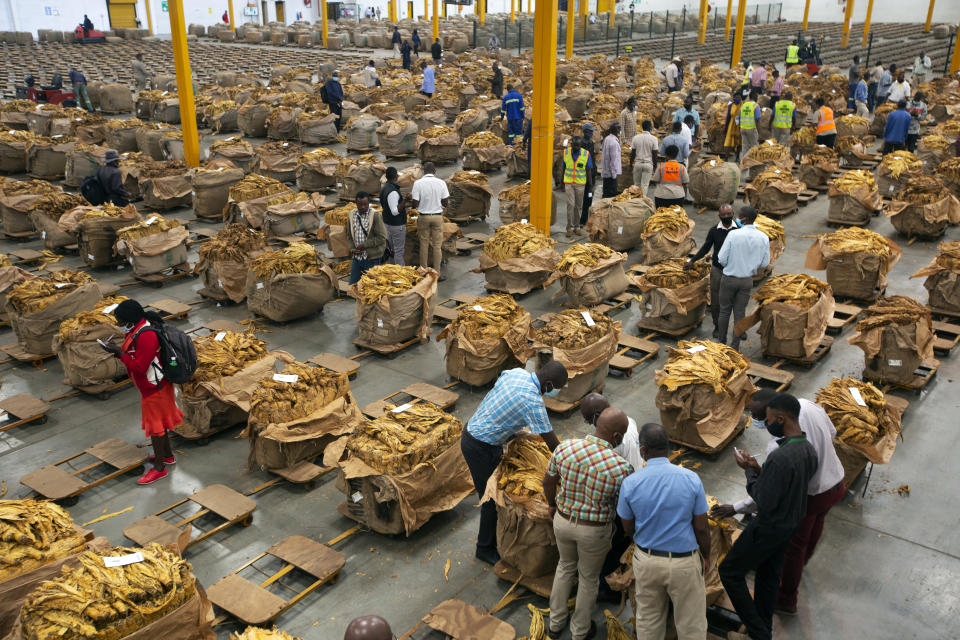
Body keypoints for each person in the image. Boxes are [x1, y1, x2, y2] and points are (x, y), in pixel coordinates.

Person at [712, 389, 845, 616]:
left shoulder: (779, 448)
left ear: (776, 415)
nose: (760, 422)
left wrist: (737, 502)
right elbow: (831, 433)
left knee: (794, 547)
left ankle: (786, 599)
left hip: (811, 495)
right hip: (836, 481)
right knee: (814, 528)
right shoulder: (806, 406)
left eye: (762, 417)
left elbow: (768, 495)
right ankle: (802, 565)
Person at [718, 393, 818, 640]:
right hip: (790, 524)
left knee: (730, 572)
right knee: (768, 575)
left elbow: (763, 498)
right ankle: (763, 626)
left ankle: (759, 632)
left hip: (768, 527)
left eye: (769, 418)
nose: (767, 423)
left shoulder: (780, 457)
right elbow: (786, 485)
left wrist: (749, 474)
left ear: (781, 419)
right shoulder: (807, 449)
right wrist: (757, 468)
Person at [461, 363, 566, 564]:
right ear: (549, 384)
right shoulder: (532, 401)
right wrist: (571, 466)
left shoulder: (516, 373)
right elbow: (553, 444)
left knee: (493, 495)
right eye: (557, 387)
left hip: (474, 430)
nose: (556, 392)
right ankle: (484, 548)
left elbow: (500, 391)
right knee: (492, 498)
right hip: (479, 447)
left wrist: (509, 427)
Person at [545, 408, 633, 640]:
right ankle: (580, 631)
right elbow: (623, 507)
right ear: (616, 437)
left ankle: (555, 625)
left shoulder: (565, 447)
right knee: (588, 579)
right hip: (593, 531)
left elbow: (549, 479)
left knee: (564, 568)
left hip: (562, 521)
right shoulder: (621, 467)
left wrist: (552, 504)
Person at [618, 423, 710, 639]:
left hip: (647, 561)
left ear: (643, 450)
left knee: (649, 619)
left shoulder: (630, 483)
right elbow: (702, 528)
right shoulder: (691, 478)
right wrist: (705, 556)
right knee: (691, 623)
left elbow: (627, 527)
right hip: (684, 563)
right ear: (668, 448)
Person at [100, 300, 183, 485]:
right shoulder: (135, 330)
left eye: (119, 319)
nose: (117, 323)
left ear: (128, 318)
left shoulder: (146, 335)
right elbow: (133, 356)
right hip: (153, 386)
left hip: (155, 388)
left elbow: (139, 367)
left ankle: (160, 469)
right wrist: (115, 351)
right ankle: (167, 456)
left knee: (156, 429)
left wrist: (118, 353)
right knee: (160, 424)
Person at [716, 205, 769, 350]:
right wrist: (750, 264)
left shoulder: (733, 235)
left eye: (739, 216)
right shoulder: (763, 237)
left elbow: (721, 258)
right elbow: (765, 263)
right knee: (739, 313)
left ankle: (721, 344)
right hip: (746, 281)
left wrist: (732, 263)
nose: (736, 219)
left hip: (729, 279)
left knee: (725, 311)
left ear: (743, 219)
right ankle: (735, 347)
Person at [686, 205, 741, 338]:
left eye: (729, 214)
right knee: (716, 301)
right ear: (719, 216)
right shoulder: (714, 231)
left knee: (736, 302)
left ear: (733, 213)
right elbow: (705, 248)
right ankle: (718, 326)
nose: (727, 217)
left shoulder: (740, 231)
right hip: (718, 270)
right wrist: (692, 261)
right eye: (724, 215)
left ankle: (739, 328)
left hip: (735, 271)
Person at [409, 162, 449, 279]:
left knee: (424, 244)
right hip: (437, 217)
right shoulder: (441, 183)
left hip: (423, 217)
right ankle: (437, 273)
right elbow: (445, 203)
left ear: (423, 171)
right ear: (434, 171)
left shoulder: (418, 183)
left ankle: (424, 271)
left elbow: (415, 204)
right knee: (437, 246)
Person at [555, 136, 593, 237]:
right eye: (574, 145)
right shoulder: (566, 152)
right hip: (569, 183)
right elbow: (563, 167)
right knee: (570, 205)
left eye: (578, 146)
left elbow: (588, 170)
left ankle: (577, 227)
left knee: (578, 206)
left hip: (580, 184)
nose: (576, 147)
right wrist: (561, 182)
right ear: (571, 145)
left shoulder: (586, 154)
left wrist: (590, 185)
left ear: (580, 145)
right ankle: (569, 228)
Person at [346, 192, 387, 284]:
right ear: (356, 204)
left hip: (372, 258)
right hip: (357, 257)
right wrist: (352, 248)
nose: (363, 207)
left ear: (369, 203)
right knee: (353, 285)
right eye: (360, 204)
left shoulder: (375, 216)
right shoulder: (352, 215)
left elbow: (382, 237)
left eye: (365, 204)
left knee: (371, 285)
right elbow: (349, 235)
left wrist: (365, 245)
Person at [379, 167, 406, 265]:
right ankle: (402, 274)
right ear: (396, 177)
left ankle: (390, 270)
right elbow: (394, 211)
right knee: (398, 251)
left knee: (391, 250)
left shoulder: (384, 188)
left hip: (387, 223)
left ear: (386, 177)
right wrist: (405, 200)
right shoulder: (393, 191)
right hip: (396, 225)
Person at [650, 144, 688, 209]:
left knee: (661, 216)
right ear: (677, 155)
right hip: (677, 196)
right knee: (676, 216)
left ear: (666, 155)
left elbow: (655, 179)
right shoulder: (682, 167)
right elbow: (686, 181)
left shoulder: (661, 166)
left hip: (661, 196)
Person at [629, 119, 658, 195]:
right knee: (644, 185)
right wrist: (655, 166)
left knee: (636, 184)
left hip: (637, 164)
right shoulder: (654, 139)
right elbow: (655, 154)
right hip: (648, 164)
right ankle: (642, 202)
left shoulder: (635, 138)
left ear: (642, 127)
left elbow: (633, 153)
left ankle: (636, 201)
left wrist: (630, 164)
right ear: (650, 128)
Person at [579, 123, 599, 229]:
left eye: (592, 132)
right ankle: (581, 220)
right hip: (584, 175)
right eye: (590, 132)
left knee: (588, 198)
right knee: (582, 198)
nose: (592, 133)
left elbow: (592, 159)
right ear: (585, 132)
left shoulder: (590, 143)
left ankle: (585, 219)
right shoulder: (581, 143)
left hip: (592, 173)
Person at [600, 123, 622, 199]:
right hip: (611, 175)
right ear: (616, 130)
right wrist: (614, 175)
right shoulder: (614, 143)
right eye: (619, 129)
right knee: (611, 196)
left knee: (605, 194)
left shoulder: (607, 139)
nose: (620, 131)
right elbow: (613, 161)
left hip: (606, 172)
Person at [737, 90, 761, 158]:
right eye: (757, 97)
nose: (757, 98)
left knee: (745, 147)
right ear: (755, 97)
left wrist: (740, 128)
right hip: (751, 129)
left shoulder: (743, 105)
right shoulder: (756, 106)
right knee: (755, 147)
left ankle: (744, 163)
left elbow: (739, 118)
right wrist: (759, 133)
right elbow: (757, 120)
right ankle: (751, 162)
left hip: (743, 129)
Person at [721, 94, 742, 160]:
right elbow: (728, 117)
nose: (738, 99)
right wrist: (725, 127)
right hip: (731, 124)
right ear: (734, 99)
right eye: (736, 98)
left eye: (739, 98)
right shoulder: (731, 106)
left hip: (739, 125)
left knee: (739, 141)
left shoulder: (742, 105)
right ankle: (726, 157)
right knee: (728, 141)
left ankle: (737, 157)